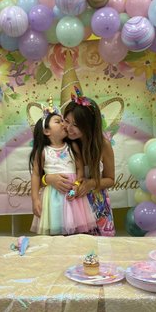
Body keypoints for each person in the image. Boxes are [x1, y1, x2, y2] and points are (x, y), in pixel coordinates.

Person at [45, 88, 116, 236]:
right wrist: (48, 178)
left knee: (99, 251)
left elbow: (110, 180)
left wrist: (91, 183)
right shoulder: (62, 143)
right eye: (66, 121)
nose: (69, 129)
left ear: (89, 125)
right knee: (70, 250)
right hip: (69, 207)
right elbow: (39, 173)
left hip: (97, 206)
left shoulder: (103, 145)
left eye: (76, 125)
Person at [29, 98, 97, 235]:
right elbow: (36, 175)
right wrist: (35, 198)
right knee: (56, 233)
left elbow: (79, 168)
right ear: (47, 131)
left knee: (77, 233)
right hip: (52, 197)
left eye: (63, 120)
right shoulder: (42, 152)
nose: (63, 124)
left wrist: (77, 184)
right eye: (58, 121)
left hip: (72, 195)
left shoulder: (73, 146)